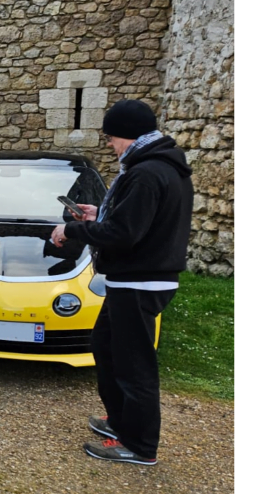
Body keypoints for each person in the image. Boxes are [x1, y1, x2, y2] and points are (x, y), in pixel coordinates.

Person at [50, 99, 193, 466]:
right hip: (133, 278)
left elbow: (124, 233)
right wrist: (99, 214)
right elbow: (137, 219)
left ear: (127, 135)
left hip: (140, 280)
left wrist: (72, 228)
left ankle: (139, 445)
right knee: (107, 347)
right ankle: (121, 422)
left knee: (134, 366)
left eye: (111, 137)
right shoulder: (158, 167)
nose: (110, 145)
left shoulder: (146, 172)